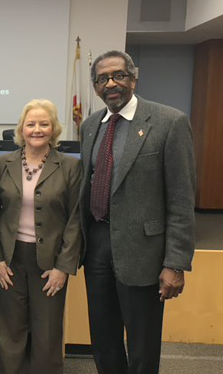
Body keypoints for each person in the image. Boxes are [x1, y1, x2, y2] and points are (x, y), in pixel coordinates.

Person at [79, 50, 196, 374]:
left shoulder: (168, 122)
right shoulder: (90, 126)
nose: (111, 83)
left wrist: (175, 263)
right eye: (103, 79)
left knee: (143, 344)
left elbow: (182, 199)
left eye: (119, 75)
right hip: (98, 245)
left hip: (144, 251)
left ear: (134, 77)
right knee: (103, 338)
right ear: (96, 86)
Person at [0, 99, 82, 374]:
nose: (37, 129)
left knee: (48, 332)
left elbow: (75, 219)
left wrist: (63, 268)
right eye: (31, 124)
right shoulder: (2, 164)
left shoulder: (69, 166)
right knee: (10, 331)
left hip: (50, 262)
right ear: (22, 129)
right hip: (10, 259)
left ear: (53, 129)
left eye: (44, 124)